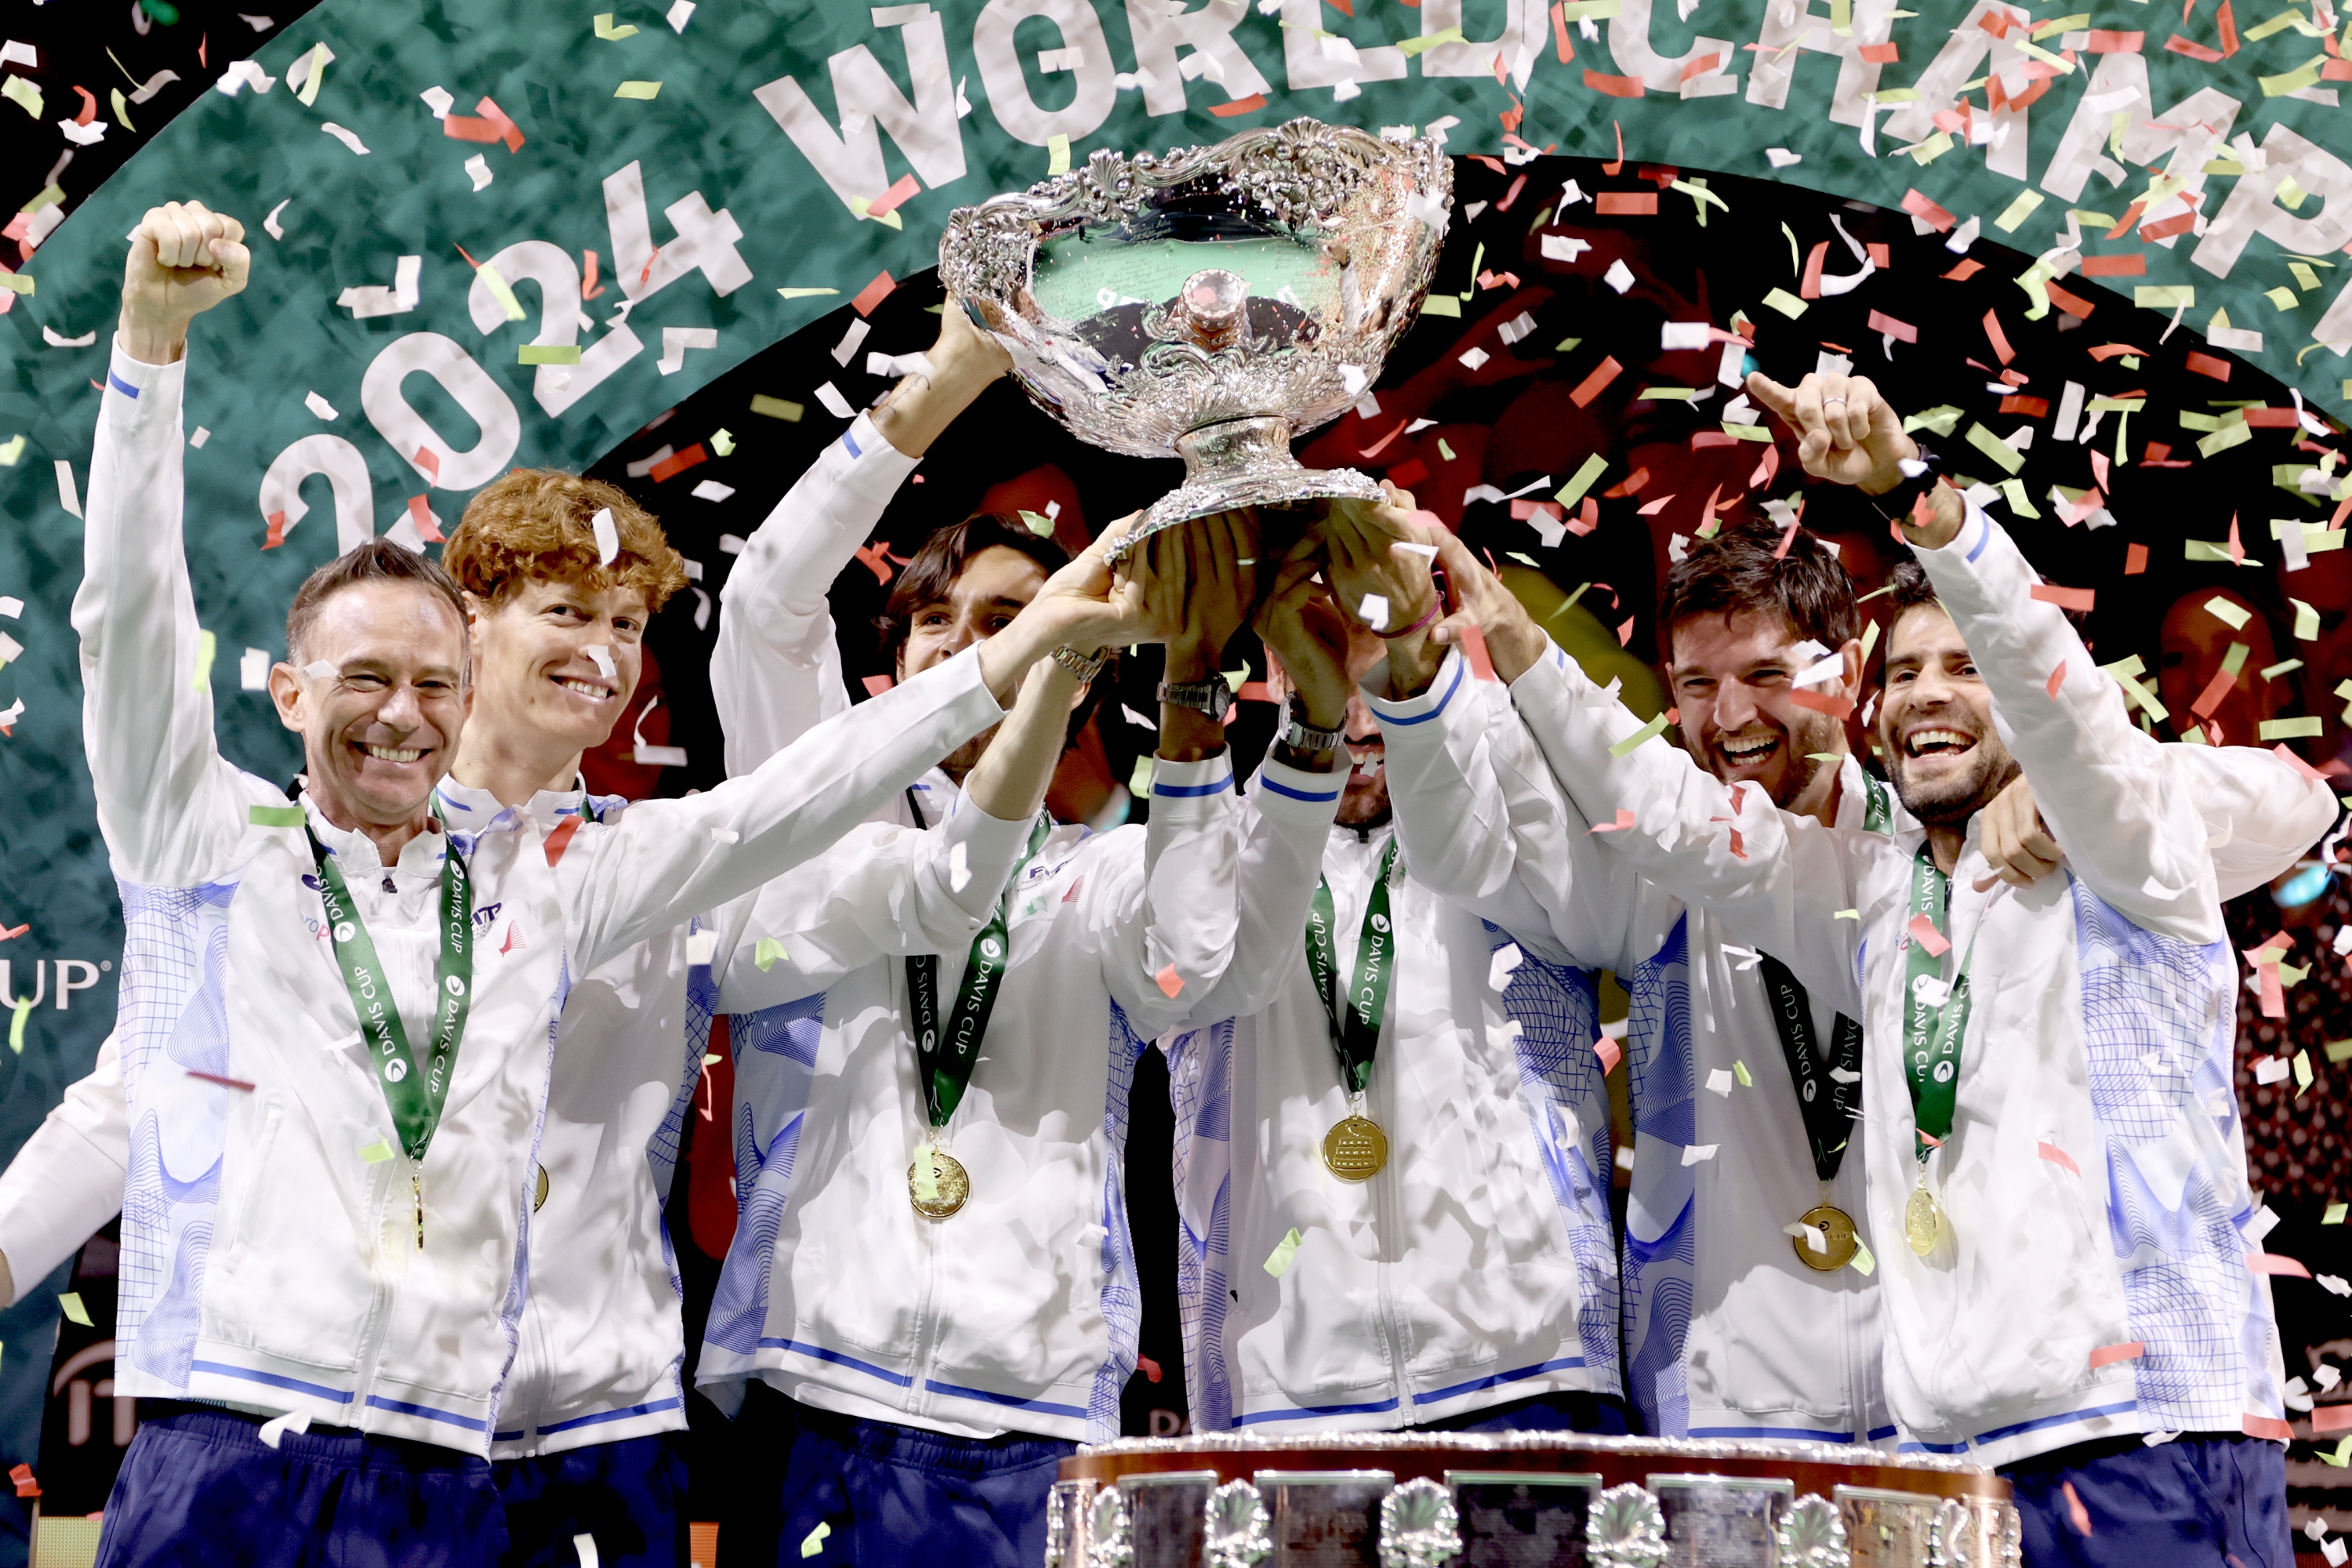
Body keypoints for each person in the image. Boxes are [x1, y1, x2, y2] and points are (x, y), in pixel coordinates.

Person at [54, 198, 1138, 1567]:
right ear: (468, 617)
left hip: (593, 1427)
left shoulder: (624, 868)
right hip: (319, 1417)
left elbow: (829, 818)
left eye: (628, 625)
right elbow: (137, 1077)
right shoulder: (283, 853)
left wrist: (1024, 664)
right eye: (565, 612)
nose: (606, 653)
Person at [1421, 365, 2325, 1564]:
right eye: (1904, 675)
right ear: (1869, 702)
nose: (1927, 697)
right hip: (1960, 1454)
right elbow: (1668, 812)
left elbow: (2093, 717)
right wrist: (1509, 631)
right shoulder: (1879, 890)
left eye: (1962, 670)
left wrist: (1917, 496)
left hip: (2148, 1422)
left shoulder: (2122, 840)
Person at [697, 310, 1344, 1567]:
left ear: (1085, 654)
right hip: (821, 1389)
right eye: (939, 628)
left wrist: (1215, 702)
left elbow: (1198, 970)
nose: (977, 644)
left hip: (1034, 1414)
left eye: (1012, 614)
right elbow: (770, 599)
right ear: (892, 678)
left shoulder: (1097, 874)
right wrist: (951, 379)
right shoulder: (823, 826)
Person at [1160, 495, 1626, 1437]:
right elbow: (1186, 977)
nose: (1358, 689)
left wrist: (1429, 686)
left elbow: (1582, 908)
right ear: (1278, 663)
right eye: (1321, 643)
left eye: (1373, 630)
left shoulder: (1514, 797)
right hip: (1289, 1397)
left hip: (1527, 1376)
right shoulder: (1211, 850)